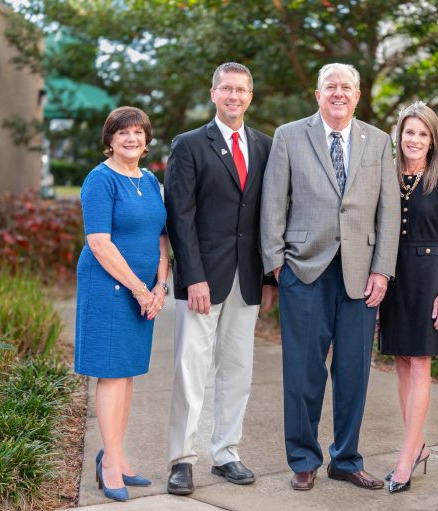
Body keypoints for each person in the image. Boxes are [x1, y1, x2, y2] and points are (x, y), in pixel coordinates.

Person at [261, 62, 400, 492]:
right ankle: (303, 459)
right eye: (330, 86)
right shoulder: (289, 135)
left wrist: (382, 270)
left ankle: (346, 458)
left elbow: (389, 210)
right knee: (303, 371)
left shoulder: (378, 141)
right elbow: (273, 202)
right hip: (304, 269)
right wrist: (277, 262)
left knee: (354, 371)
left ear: (357, 95)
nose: (338, 93)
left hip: (360, 274)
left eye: (346, 87)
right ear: (317, 94)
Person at [163, 62, 274, 495]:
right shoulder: (190, 145)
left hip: (246, 278)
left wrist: (267, 278)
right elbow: (180, 215)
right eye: (226, 88)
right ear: (213, 94)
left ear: (250, 95)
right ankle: (182, 459)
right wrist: (192, 276)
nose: (233, 96)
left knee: (238, 371)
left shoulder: (265, 146)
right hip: (202, 280)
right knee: (191, 370)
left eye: (241, 89)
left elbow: (267, 216)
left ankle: (226, 453)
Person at [74, 106, 169, 502]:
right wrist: (138, 288)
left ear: (146, 141)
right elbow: (99, 243)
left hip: (145, 292)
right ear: (109, 139)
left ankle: (118, 455)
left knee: (126, 373)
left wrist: (161, 285)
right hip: (109, 289)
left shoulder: (149, 180)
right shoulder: (100, 180)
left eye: (138, 133)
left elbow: (161, 238)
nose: (131, 139)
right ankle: (110, 462)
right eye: (123, 132)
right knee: (111, 374)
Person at [378, 102, 438, 494]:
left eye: (423, 134)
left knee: (420, 365)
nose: (415, 140)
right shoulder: (386, 176)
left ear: (433, 141)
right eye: (409, 132)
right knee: (400, 361)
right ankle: (419, 445)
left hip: (429, 276)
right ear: (400, 136)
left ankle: (405, 458)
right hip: (392, 273)